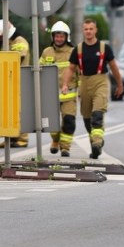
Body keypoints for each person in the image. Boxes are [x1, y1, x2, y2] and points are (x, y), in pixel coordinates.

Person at [61, 18, 123, 160]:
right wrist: (65, 84)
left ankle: (97, 141)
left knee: (97, 114)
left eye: (91, 29)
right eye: (86, 29)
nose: (88, 31)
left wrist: (119, 84)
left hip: (100, 81)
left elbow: (114, 67)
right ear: (83, 31)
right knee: (87, 117)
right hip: (84, 82)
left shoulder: (104, 48)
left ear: (95, 30)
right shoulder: (78, 49)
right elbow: (70, 69)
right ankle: (95, 144)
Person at [40, 21, 78, 157]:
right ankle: (55, 140)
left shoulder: (73, 52)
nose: (59, 39)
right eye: (57, 36)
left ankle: (65, 147)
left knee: (69, 121)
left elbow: (79, 72)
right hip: (50, 96)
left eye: (62, 36)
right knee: (52, 125)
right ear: (53, 37)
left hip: (69, 95)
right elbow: (39, 71)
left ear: (67, 37)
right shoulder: (46, 52)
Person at [0, 19, 30, 148]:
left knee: (19, 111)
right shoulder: (6, 43)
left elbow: (17, 57)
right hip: (9, 81)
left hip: (19, 80)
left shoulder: (20, 41)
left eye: (0, 36)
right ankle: (11, 138)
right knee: (9, 111)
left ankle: (23, 138)